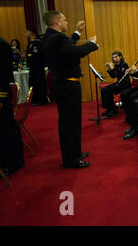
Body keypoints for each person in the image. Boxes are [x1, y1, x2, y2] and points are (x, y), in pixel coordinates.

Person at [41, 11, 98, 169]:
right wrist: (92, 44)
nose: (67, 22)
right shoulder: (56, 38)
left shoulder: (51, 37)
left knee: (72, 121)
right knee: (69, 123)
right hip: (67, 85)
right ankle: (71, 159)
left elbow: (67, 46)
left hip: (64, 84)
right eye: (64, 19)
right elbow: (75, 51)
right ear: (57, 22)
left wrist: (77, 32)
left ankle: (75, 153)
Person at [0, 17, 24, 176]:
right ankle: (3, 160)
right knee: (0, 131)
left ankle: (15, 161)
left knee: (7, 129)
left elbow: (3, 74)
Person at [101, 51, 131, 118]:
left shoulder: (124, 64)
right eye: (113, 57)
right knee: (104, 89)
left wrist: (112, 68)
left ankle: (112, 110)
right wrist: (109, 70)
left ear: (120, 57)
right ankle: (109, 108)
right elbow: (113, 76)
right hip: (119, 83)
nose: (114, 59)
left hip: (125, 84)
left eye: (116, 57)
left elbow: (120, 75)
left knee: (108, 90)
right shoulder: (116, 65)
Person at [25, 29, 49, 106]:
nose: (26, 33)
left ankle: (42, 99)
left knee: (39, 83)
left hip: (38, 67)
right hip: (32, 67)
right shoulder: (30, 44)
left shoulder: (38, 43)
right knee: (33, 83)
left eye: (27, 31)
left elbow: (38, 55)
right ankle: (35, 99)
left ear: (32, 33)